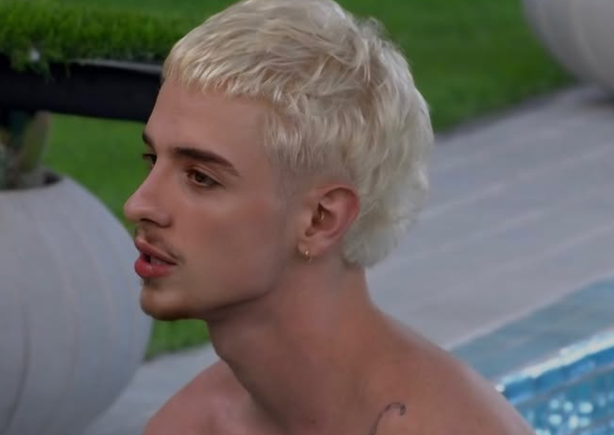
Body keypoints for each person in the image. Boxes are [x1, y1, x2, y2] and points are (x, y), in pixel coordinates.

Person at [124, 0, 536, 433]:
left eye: (201, 178)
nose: (139, 204)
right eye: (152, 159)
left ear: (320, 219)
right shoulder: (190, 423)